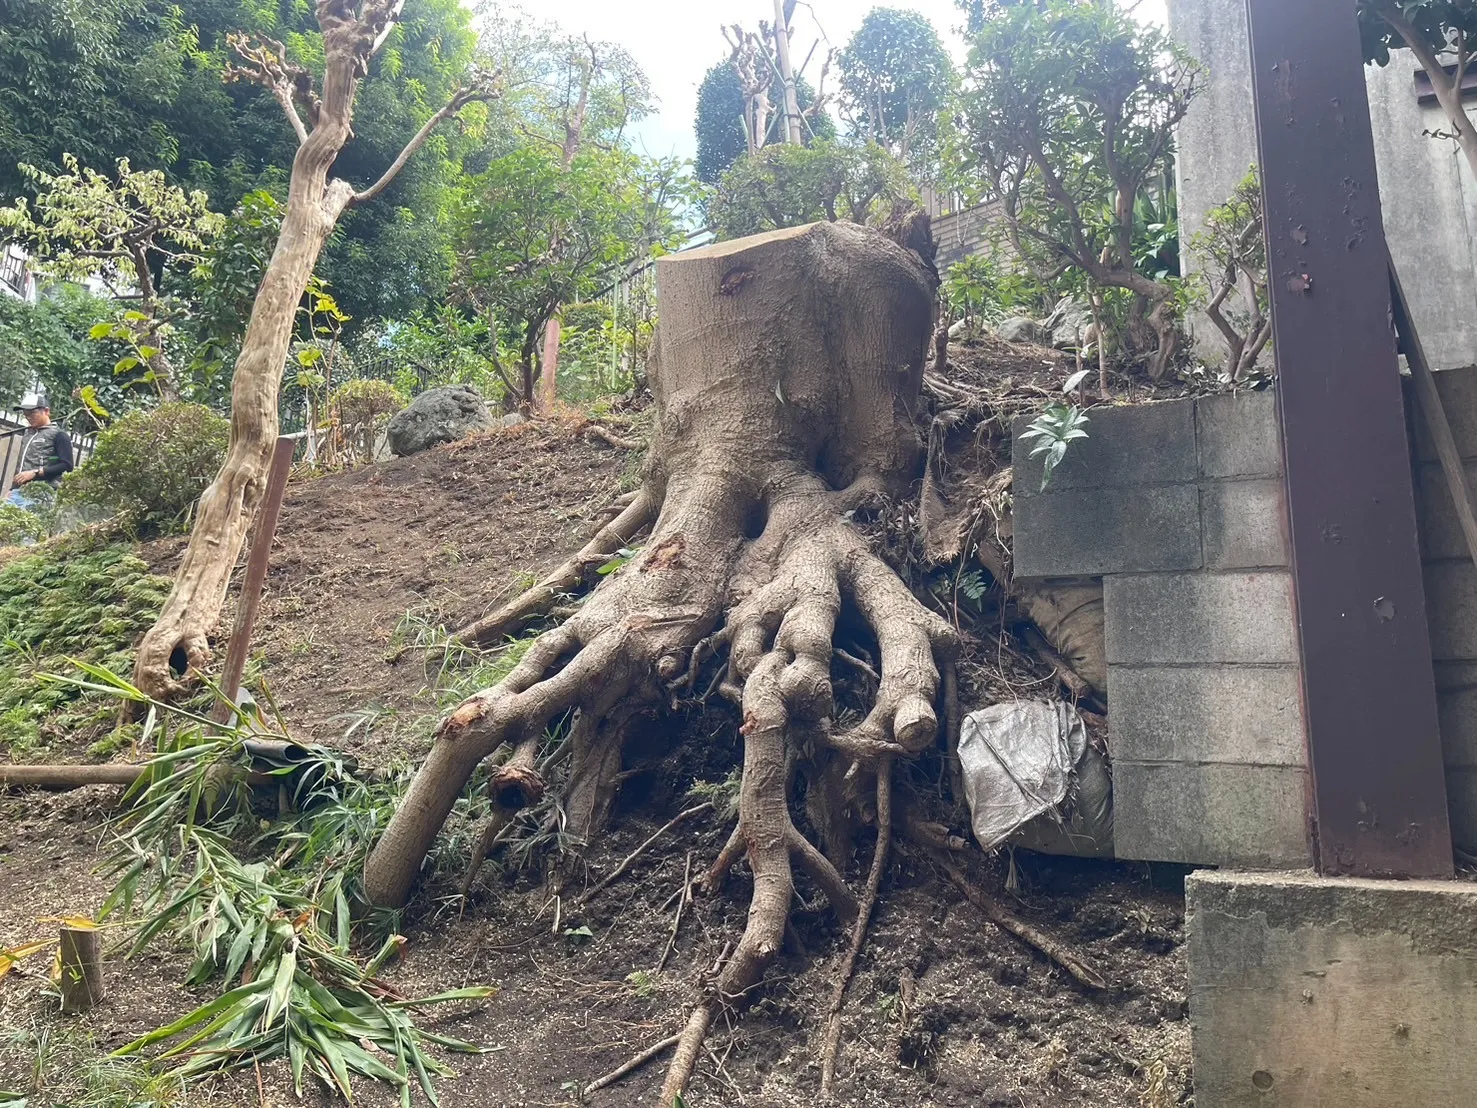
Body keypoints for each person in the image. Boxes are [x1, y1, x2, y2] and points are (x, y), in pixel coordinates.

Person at [7, 391, 74, 509]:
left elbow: (67, 465)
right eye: (26, 414)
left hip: (40, 493)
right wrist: (12, 489)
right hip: (17, 492)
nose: (28, 417)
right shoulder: (28, 433)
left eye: (32, 413)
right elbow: (23, 465)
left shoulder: (59, 435)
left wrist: (35, 473)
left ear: (46, 411)